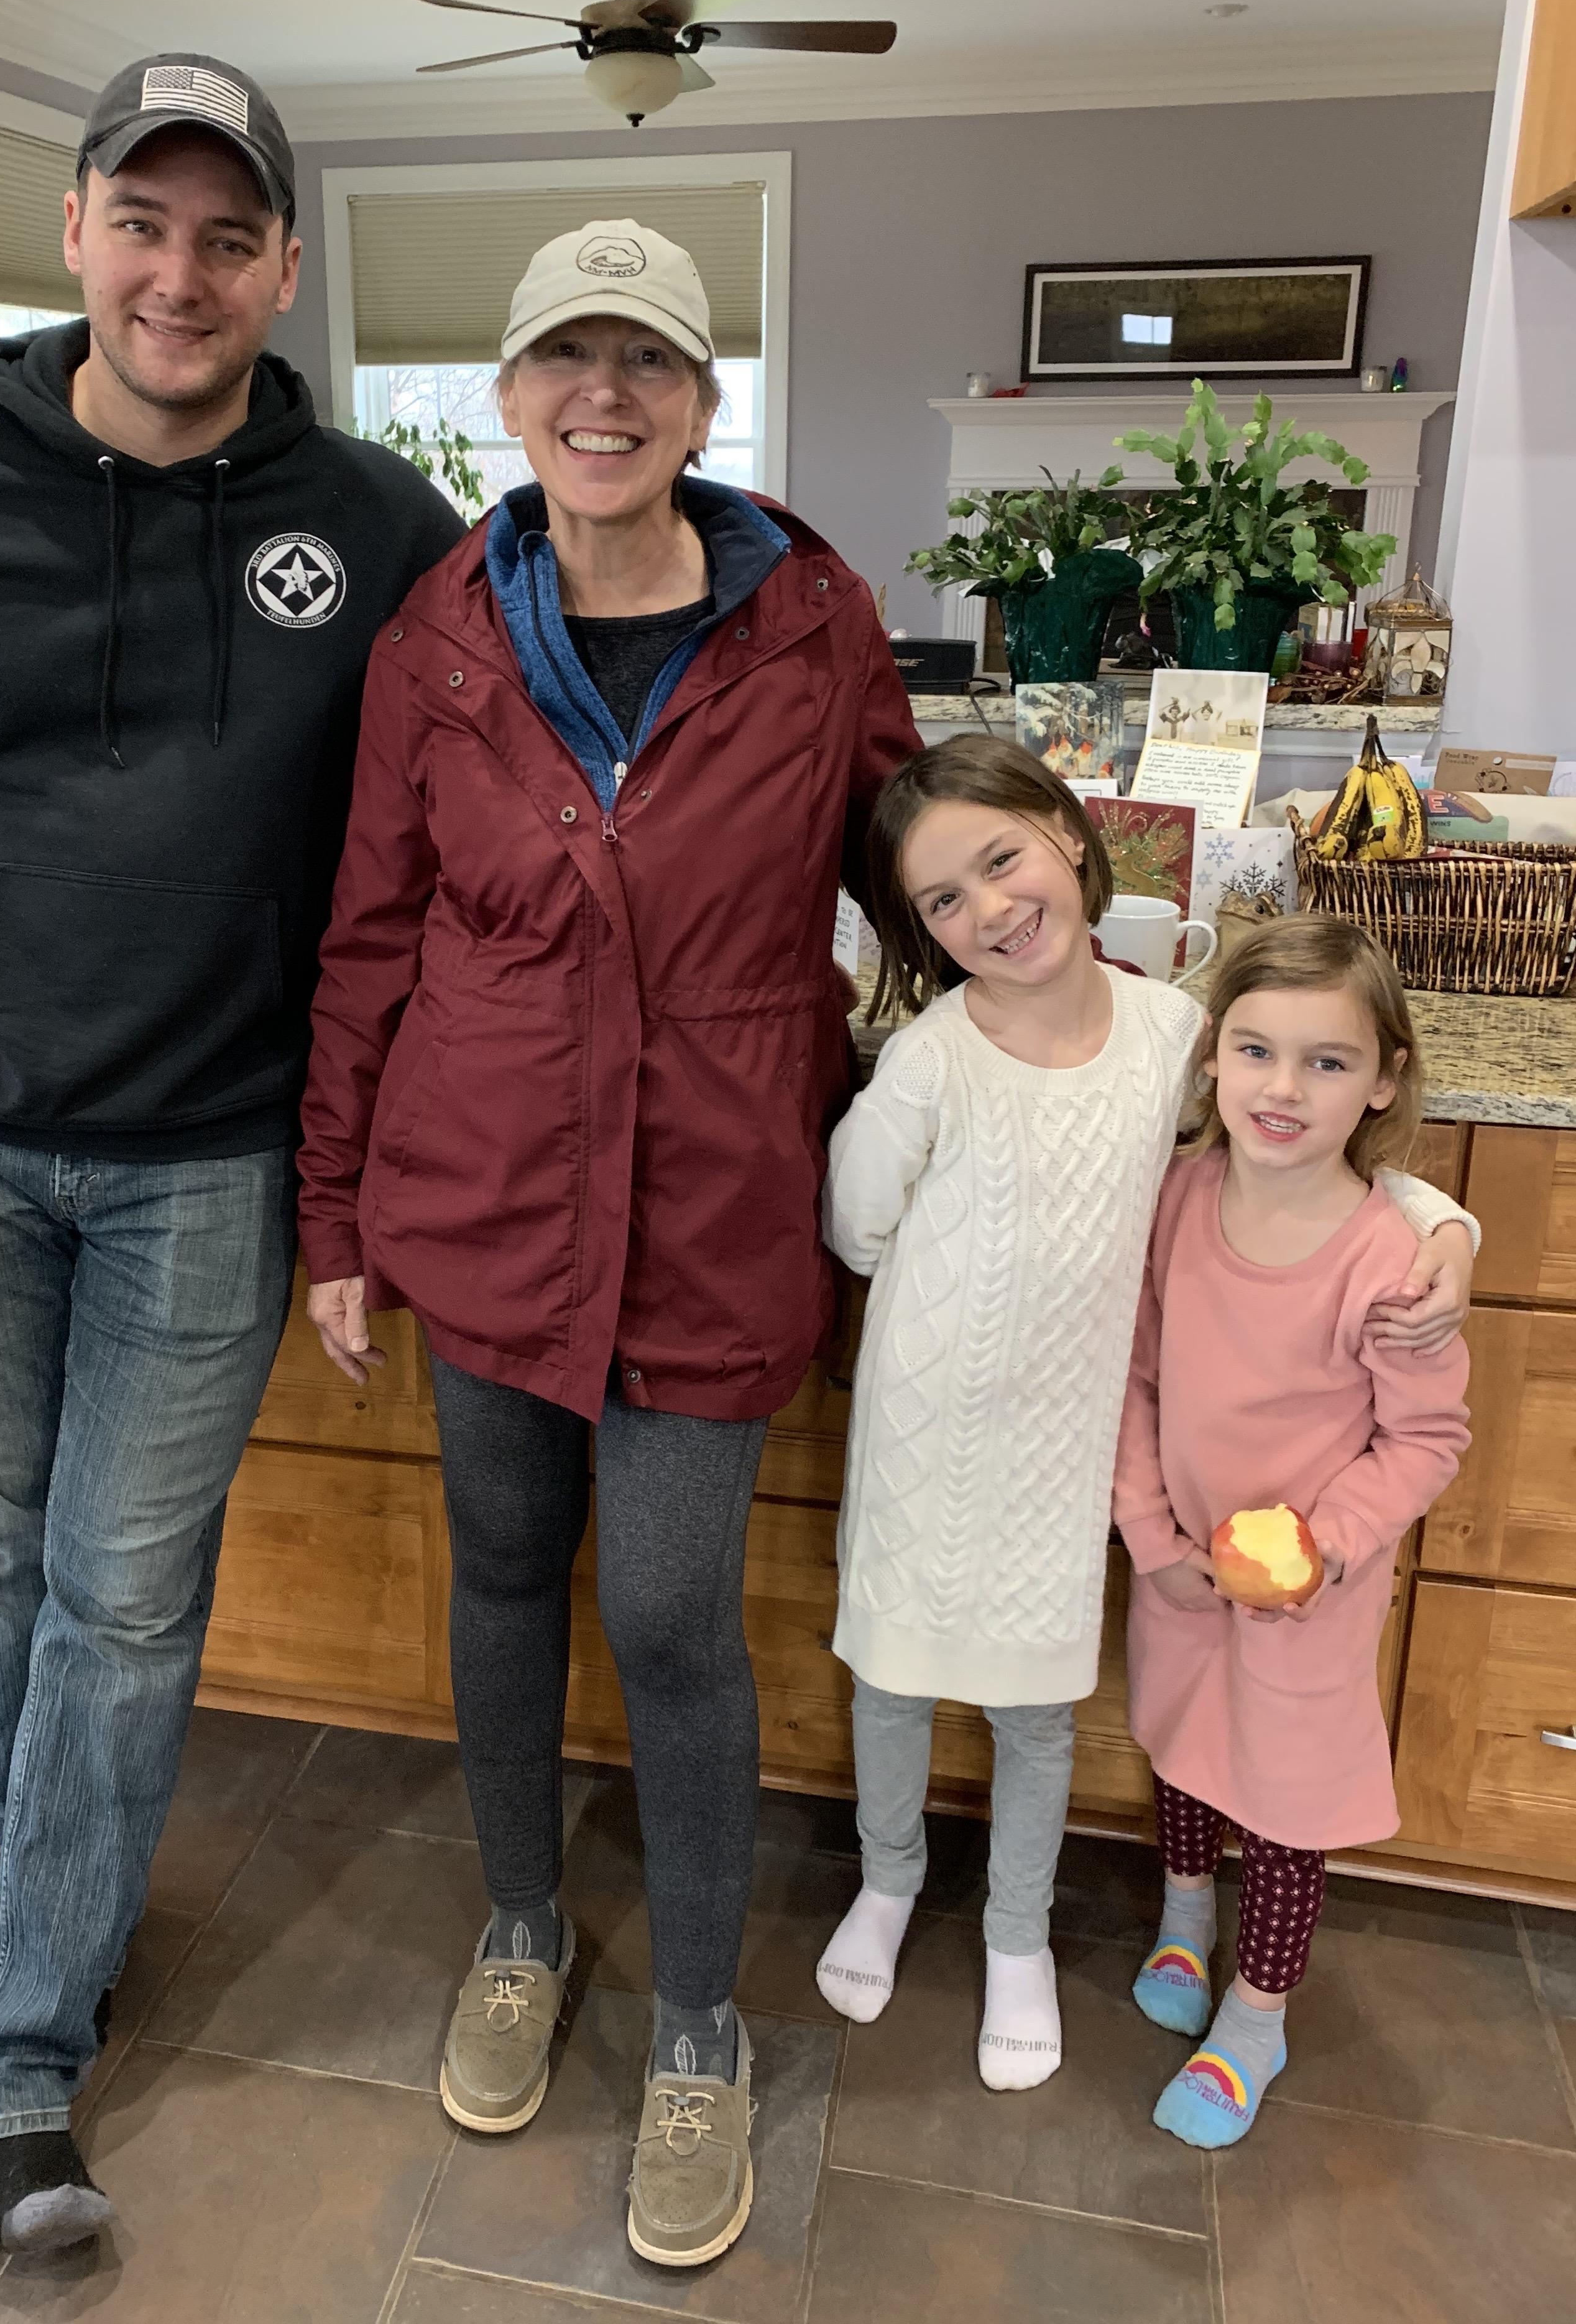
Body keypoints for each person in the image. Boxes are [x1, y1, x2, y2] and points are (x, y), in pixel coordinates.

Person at [0, 51, 466, 2255]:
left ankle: (17, 2053)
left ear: (284, 267)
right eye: (143, 222)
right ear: (72, 235)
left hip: (208, 1166)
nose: (180, 271)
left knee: (124, 1597)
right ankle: (75, 1896)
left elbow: (478, 763)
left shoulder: (378, 521)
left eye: (228, 235)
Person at [296, 218, 919, 2268]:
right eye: (564, 357)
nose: (604, 395)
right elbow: (371, 934)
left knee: (664, 1617)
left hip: (721, 1196)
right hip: (478, 1192)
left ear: (701, 402)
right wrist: (332, 1215)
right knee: (494, 1566)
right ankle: (517, 1928)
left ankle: (702, 2033)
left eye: (645, 359)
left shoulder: (811, 618)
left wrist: (1050, 998)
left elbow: (917, 864)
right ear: (504, 398)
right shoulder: (434, 634)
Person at [814, 741, 1475, 2085]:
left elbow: (1297, 1136)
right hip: (924, 1436)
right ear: (917, 929)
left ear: (1067, 831)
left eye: (1002, 858)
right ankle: (888, 1881)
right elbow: (857, 1226)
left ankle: (1013, 1936)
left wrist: (1440, 1216)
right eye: (943, 899)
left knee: (1036, 1707)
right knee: (891, 1674)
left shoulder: (1176, 1034)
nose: (988, 908)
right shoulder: (934, 1061)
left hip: (1072, 1452)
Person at [1114, 916, 1470, 2147]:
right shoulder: (1179, 1197)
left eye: (1327, 1062)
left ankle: (1256, 2019)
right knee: (1178, 1746)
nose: (1284, 1087)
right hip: (1178, 1566)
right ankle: (1183, 1911)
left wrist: (1321, 1544)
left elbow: (1428, 1441)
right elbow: (1134, 1377)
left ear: (1384, 1082)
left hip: (1309, 1598)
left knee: (1286, 1799)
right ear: (1212, 1057)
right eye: (1258, 1050)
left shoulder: (1392, 1266)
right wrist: (1149, 1530)